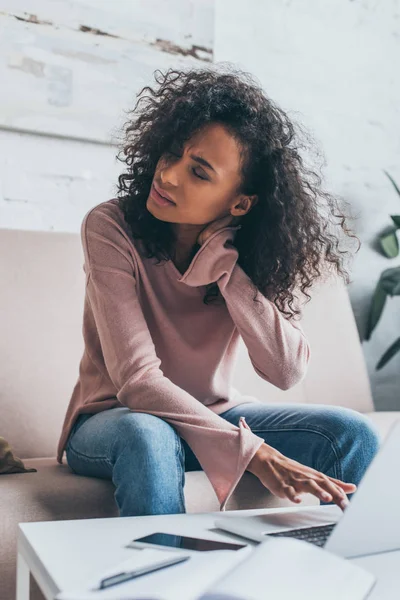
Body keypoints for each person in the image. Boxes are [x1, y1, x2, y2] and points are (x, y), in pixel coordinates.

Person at [57, 67, 380, 517]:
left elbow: (286, 372)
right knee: (149, 435)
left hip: (217, 414)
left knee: (350, 433)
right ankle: (160, 582)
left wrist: (228, 268)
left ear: (240, 202)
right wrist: (254, 453)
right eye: (171, 155)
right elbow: (138, 383)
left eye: (199, 172)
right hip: (115, 421)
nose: (167, 176)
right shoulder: (110, 227)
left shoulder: (248, 254)